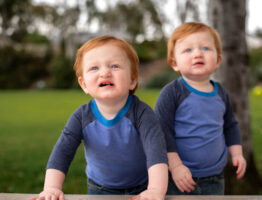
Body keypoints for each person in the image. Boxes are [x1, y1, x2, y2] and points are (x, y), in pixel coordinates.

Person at [31, 35, 168, 200]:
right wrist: (52, 187)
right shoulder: (81, 117)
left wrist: (155, 189)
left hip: (142, 187)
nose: (105, 72)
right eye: (94, 68)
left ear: (132, 80)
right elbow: (62, 152)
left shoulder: (142, 114)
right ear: (84, 85)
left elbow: (156, 152)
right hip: (100, 188)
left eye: (115, 66)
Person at [154, 22, 246, 195]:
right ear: (175, 63)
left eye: (205, 48)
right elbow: (161, 132)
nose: (197, 53)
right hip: (179, 177)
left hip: (215, 178)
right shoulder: (172, 92)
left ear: (218, 59)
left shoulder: (221, 93)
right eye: (188, 50)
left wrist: (237, 153)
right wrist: (175, 167)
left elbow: (230, 125)